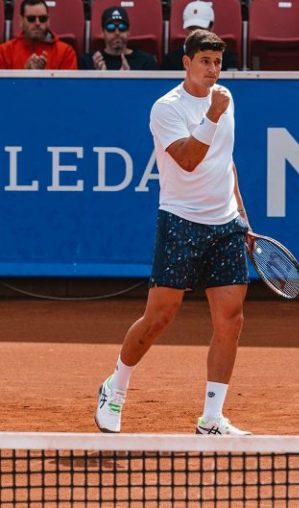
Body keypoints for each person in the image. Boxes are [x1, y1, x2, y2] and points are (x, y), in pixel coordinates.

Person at [95, 30, 253, 436]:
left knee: (230, 321)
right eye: (205, 61)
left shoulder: (226, 99)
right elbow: (187, 160)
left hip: (226, 223)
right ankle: (115, 387)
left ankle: (212, 419)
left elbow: (226, 163)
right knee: (159, 317)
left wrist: (244, 219)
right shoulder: (166, 108)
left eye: (218, 62)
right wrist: (212, 115)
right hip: (181, 221)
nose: (213, 70)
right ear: (187, 62)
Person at [162, 1, 239, 71]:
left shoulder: (227, 58)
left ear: (211, 27)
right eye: (192, 28)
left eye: (201, 28)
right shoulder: (171, 60)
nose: (196, 33)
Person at [0, 0, 77, 69]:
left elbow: (68, 85)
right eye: (31, 18)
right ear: (21, 20)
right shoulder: (4, 52)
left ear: (48, 21)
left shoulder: (66, 53)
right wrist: (24, 74)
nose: (37, 23)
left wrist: (45, 75)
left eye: (42, 18)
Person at [80, 7, 156, 70]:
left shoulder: (145, 61)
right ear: (102, 32)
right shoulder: (90, 61)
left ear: (129, 31)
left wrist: (130, 78)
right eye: (111, 27)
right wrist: (99, 76)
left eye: (122, 27)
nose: (117, 32)